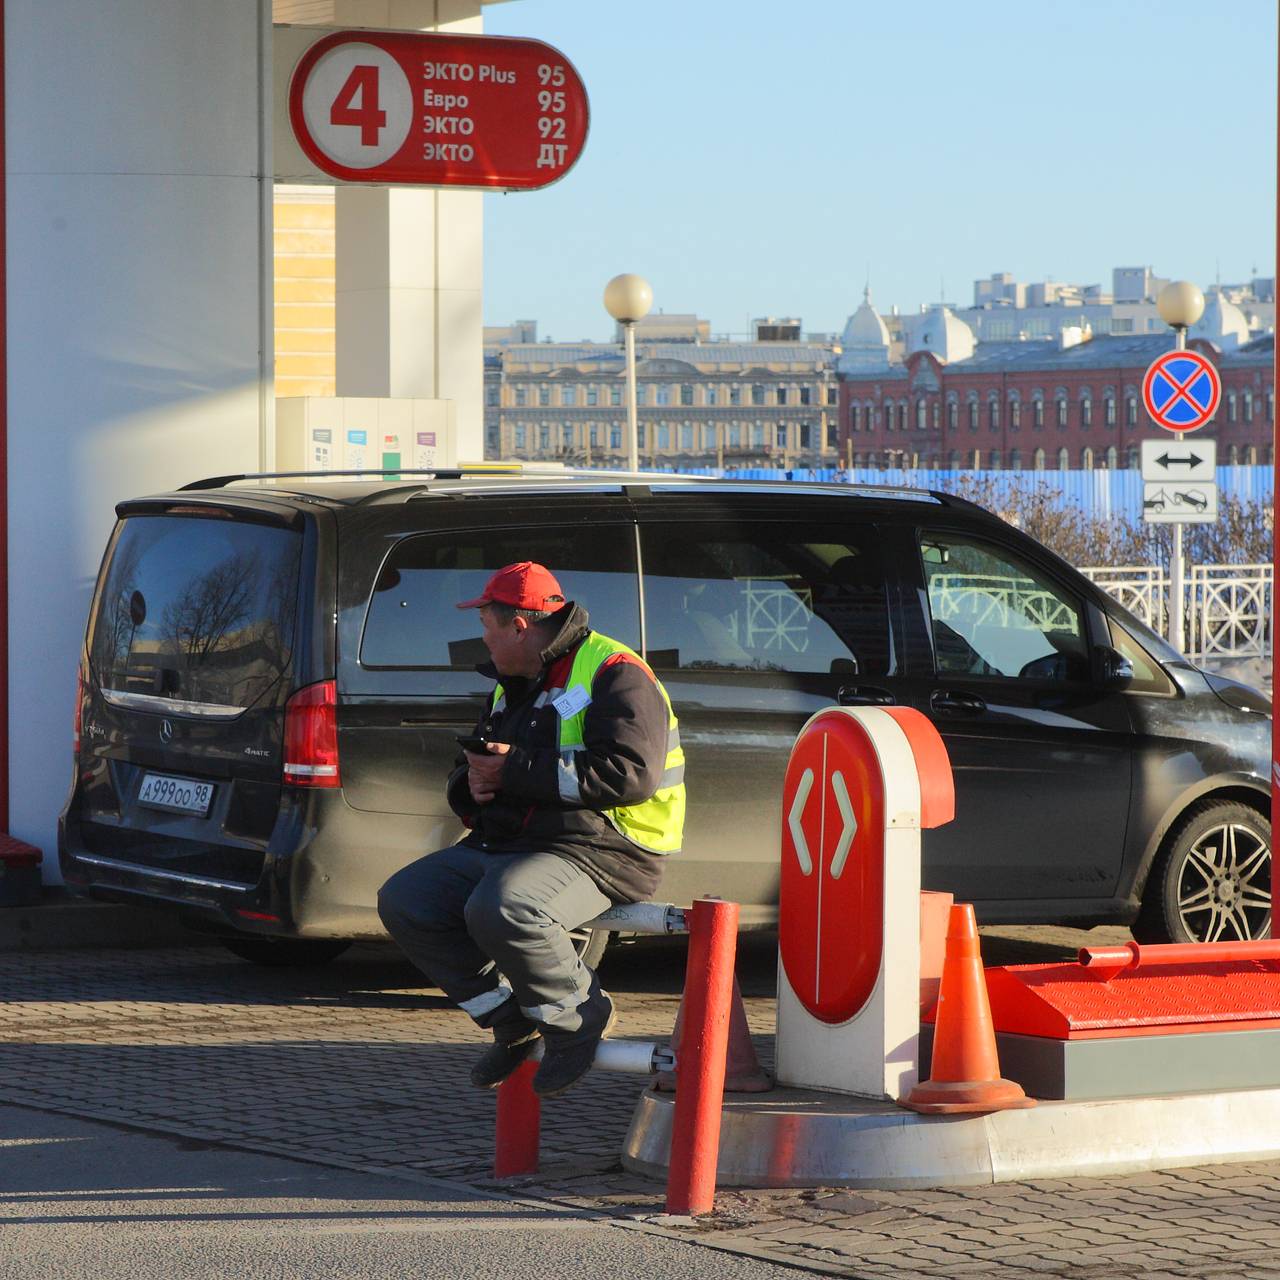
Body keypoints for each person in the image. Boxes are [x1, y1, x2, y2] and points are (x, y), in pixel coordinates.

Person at [377, 561, 685, 1098]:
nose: (483, 640)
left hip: (603, 848)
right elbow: (484, 765)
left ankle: (577, 1017)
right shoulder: (512, 682)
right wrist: (469, 786)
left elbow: (631, 775)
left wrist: (512, 769)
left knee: (502, 907)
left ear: (519, 626)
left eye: (487, 627)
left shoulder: (614, 670)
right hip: (515, 841)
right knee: (407, 899)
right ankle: (511, 1022)